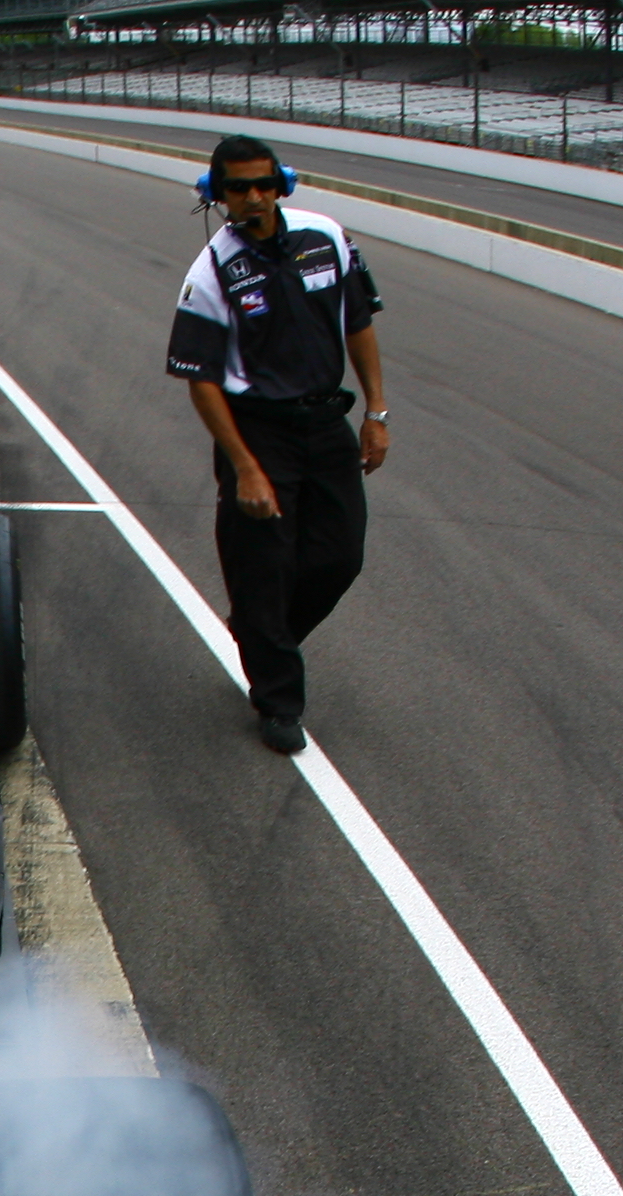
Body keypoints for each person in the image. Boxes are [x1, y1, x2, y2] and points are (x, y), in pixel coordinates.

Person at [166, 133, 389, 757]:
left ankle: (263, 640)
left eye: (266, 184)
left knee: (339, 556)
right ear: (219, 194)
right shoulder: (209, 272)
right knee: (262, 569)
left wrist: (376, 411)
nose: (255, 197)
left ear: (282, 184)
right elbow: (201, 382)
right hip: (256, 430)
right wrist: (245, 469)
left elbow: (359, 325)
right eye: (239, 188)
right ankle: (278, 700)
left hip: (326, 423)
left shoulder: (328, 236)